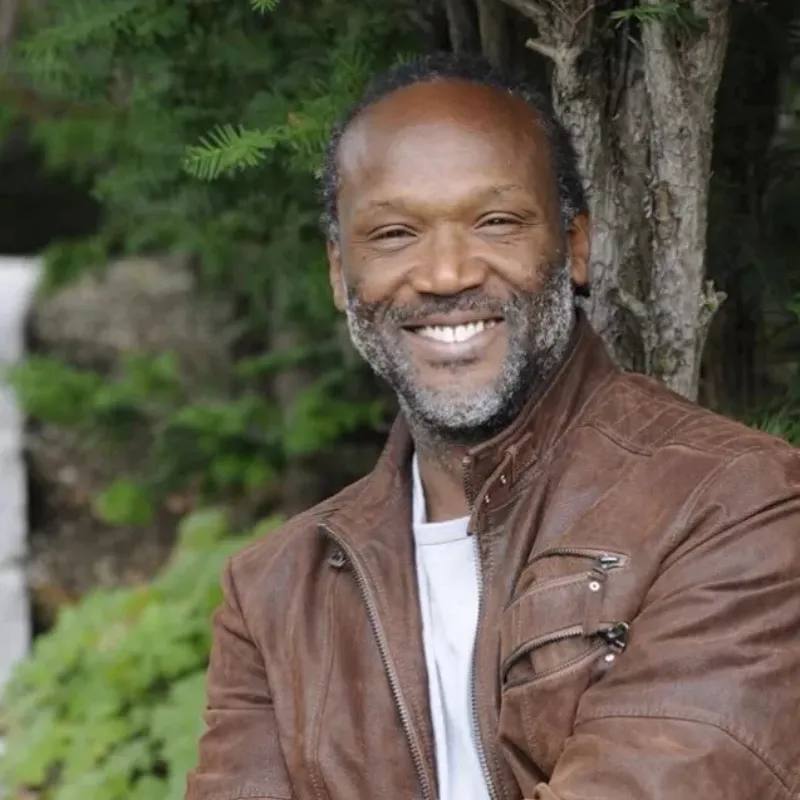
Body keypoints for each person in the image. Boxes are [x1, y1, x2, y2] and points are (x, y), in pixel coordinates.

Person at [185, 53, 800, 800]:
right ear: (341, 275)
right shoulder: (276, 593)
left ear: (573, 248)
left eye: (496, 222)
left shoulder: (735, 503)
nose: (446, 274)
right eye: (393, 234)